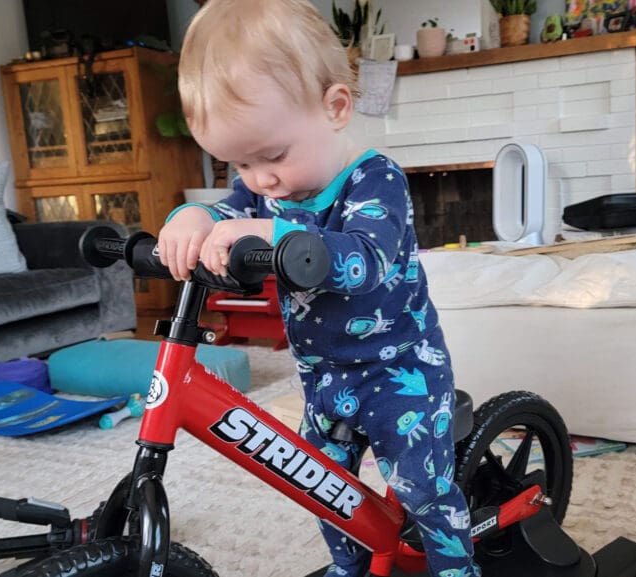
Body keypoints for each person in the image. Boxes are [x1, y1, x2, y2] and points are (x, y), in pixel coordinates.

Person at [161, 1, 480, 576]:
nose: (259, 180)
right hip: (323, 376)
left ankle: (458, 570)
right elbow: (228, 214)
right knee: (318, 487)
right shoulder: (264, 187)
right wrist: (191, 222)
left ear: (335, 107)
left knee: (421, 489)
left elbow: (365, 259)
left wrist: (268, 229)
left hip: (398, 369)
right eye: (237, 163)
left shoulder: (374, 177)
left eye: (272, 156)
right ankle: (348, 567)